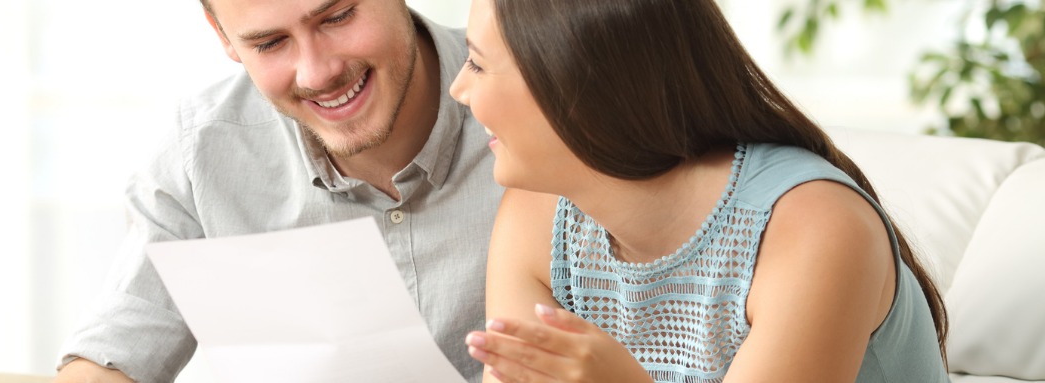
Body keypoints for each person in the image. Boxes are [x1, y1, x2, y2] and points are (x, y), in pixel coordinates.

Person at [448, 0, 949, 382]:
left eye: (476, 63)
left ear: (574, 84)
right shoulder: (537, 213)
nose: (458, 90)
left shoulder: (815, 229)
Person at [52, 0, 504, 382]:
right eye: (269, 43)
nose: (317, 73)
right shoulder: (201, 152)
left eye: (337, 16)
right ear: (224, 37)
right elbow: (116, 350)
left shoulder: (542, 99)